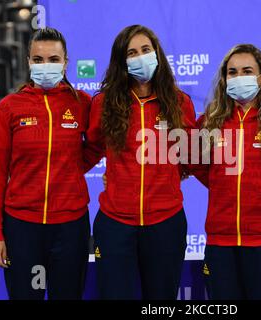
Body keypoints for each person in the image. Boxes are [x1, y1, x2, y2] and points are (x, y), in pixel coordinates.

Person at [84, 24, 196, 300]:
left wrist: (170, 175)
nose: (140, 57)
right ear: (122, 62)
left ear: (157, 53)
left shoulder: (180, 102)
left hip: (166, 223)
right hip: (115, 224)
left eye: (146, 50)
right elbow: (91, 149)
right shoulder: (105, 103)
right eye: (131, 53)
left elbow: (190, 155)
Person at [0, 27, 92, 300]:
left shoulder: (83, 103)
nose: (46, 66)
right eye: (39, 59)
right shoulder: (9, 107)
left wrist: (72, 168)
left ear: (66, 62)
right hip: (22, 228)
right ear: (29, 62)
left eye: (54, 59)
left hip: (70, 227)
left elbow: (100, 144)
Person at [189, 44, 261, 300]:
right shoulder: (208, 122)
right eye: (232, 72)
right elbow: (196, 164)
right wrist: (221, 183)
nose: (239, 77)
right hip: (220, 244)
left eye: (247, 71)